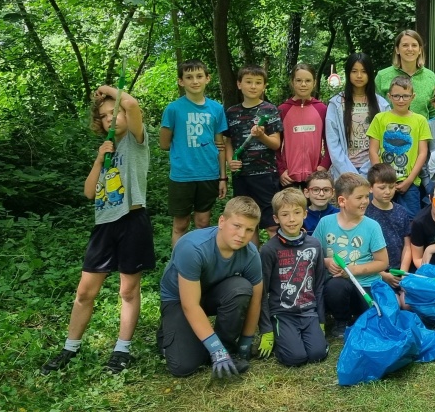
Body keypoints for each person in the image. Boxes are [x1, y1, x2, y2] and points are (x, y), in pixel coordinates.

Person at [41, 85, 154, 375]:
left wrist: (105, 90)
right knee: (84, 292)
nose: (111, 117)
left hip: (132, 221)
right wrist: (99, 158)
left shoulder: (136, 142)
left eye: (115, 112)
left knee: (128, 291)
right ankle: (70, 347)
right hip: (104, 226)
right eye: (104, 116)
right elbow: (89, 193)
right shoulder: (106, 149)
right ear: (99, 123)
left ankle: (122, 350)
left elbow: (132, 104)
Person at [156, 196, 263, 378]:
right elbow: (190, 305)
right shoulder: (193, 247)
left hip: (212, 293)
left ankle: (227, 348)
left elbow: (256, 299)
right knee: (184, 366)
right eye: (236, 226)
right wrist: (214, 349)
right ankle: (168, 332)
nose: (241, 235)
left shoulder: (251, 254)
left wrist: (245, 342)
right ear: (222, 221)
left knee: (242, 288)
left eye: (249, 230)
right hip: (179, 299)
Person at [159, 59, 228, 247]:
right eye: (189, 77)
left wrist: (223, 177)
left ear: (208, 78)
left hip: (209, 174)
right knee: (180, 224)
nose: (195, 81)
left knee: (203, 223)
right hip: (182, 175)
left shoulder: (216, 108)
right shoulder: (173, 109)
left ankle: (200, 264)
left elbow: (220, 144)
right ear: (181, 81)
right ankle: (178, 266)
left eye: (199, 76)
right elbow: (164, 143)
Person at [257, 188, 328, 368]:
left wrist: (321, 319)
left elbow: (319, 284)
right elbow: (261, 291)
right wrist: (266, 329)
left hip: (309, 311)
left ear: (305, 213)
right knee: (295, 358)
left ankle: (306, 335)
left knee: (318, 354)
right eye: (285, 214)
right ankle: (283, 338)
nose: (291, 219)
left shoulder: (314, 245)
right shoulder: (268, 250)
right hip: (283, 313)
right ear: (276, 219)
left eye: (297, 213)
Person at [315, 173, 390, 333]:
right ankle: (341, 320)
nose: (365, 201)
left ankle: (358, 317)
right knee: (336, 286)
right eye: (359, 198)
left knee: (377, 318)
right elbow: (313, 254)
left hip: (367, 285)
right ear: (342, 201)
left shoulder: (372, 226)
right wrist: (327, 262)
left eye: (366, 196)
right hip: (338, 286)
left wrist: (352, 271)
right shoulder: (325, 223)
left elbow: (383, 262)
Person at [226, 64, 283, 241]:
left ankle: (274, 262)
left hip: (266, 175)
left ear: (264, 86)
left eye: (258, 82)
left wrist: (262, 136)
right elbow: (228, 142)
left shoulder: (270, 110)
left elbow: (275, 144)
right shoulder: (231, 112)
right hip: (242, 176)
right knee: (247, 222)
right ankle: (251, 264)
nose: (253, 86)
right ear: (239, 84)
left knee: (272, 224)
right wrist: (230, 161)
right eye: (248, 82)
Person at [367, 75, 431, 213]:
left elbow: (422, 153)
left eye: (405, 96)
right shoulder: (380, 118)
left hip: (409, 183)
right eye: (396, 96)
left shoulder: (420, 121)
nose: (401, 100)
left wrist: (409, 180)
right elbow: (373, 150)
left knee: (410, 221)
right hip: (382, 183)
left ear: (413, 97)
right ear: (389, 96)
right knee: (378, 217)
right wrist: (380, 178)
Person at [325, 54, 387, 179]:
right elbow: (333, 142)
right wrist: (348, 172)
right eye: (354, 71)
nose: (359, 76)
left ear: (370, 74)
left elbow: (385, 140)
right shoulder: (336, 103)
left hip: (373, 171)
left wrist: (368, 170)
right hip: (343, 173)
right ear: (348, 73)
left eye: (364, 71)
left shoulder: (382, 104)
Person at [278, 62, 330, 189]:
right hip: (289, 176)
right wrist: (281, 170)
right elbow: (275, 145)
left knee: (314, 208)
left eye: (308, 80)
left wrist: (324, 165)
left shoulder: (322, 109)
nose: (303, 84)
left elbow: (330, 141)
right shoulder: (282, 109)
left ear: (314, 82)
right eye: (299, 80)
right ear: (292, 82)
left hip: (314, 174)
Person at [366, 162, 412, 288]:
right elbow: (362, 250)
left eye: (392, 187)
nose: (388, 192)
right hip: (374, 273)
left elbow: (407, 245)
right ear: (370, 187)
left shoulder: (401, 211)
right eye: (382, 188)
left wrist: (403, 272)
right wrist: (382, 274)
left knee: (406, 303)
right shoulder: (365, 213)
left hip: (399, 271)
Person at [375, 30, 435, 120]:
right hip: (389, 132)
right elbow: (375, 108)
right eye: (405, 45)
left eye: (414, 45)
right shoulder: (382, 76)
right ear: (397, 49)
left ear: (420, 49)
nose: (410, 49)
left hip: (422, 132)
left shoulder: (430, 76)